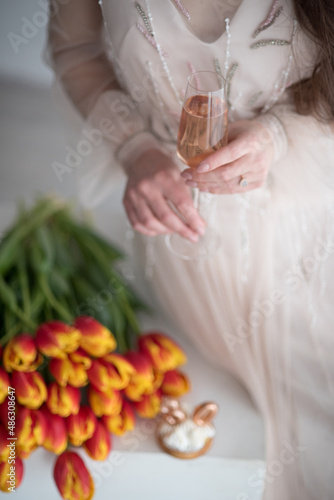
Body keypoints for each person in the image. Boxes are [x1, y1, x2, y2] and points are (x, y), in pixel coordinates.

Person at [47, 1, 334, 498]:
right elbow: (75, 50)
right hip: (177, 231)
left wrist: (279, 135)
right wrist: (134, 147)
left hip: (303, 212)